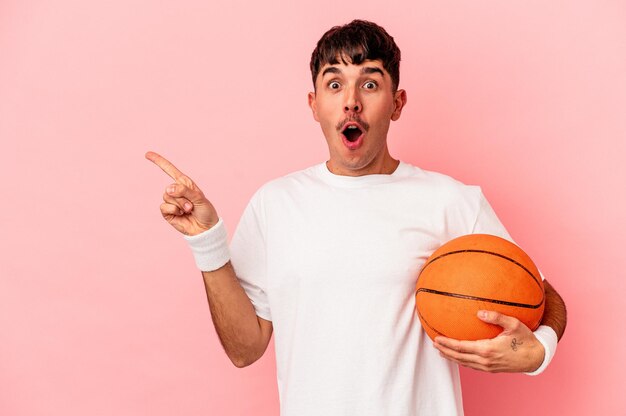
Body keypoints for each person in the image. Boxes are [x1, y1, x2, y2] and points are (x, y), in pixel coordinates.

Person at [146, 20, 567, 416]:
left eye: (369, 83)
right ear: (314, 105)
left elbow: (546, 298)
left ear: (397, 103)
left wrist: (540, 350)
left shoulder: (450, 200)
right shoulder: (275, 203)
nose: (351, 101)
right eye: (334, 84)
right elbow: (245, 348)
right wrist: (207, 242)